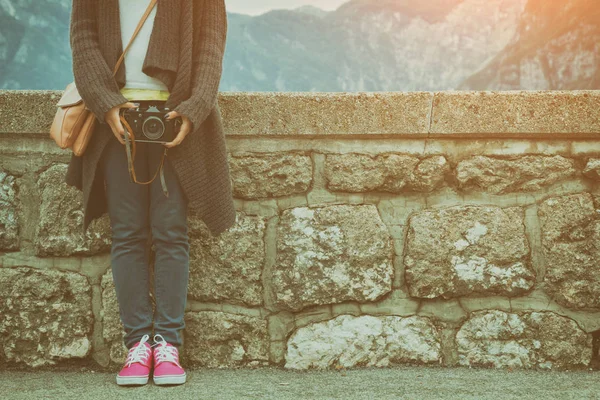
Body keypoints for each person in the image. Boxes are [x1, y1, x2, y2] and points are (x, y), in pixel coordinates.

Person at [66, 0, 236, 386]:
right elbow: (83, 38)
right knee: (127, 233)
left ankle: (168, 346)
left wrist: (195, 108)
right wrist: (105, 102)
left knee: (171, 231)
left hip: (174, 116)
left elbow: (211, 44)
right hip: (117, 118)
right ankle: (137, 346)